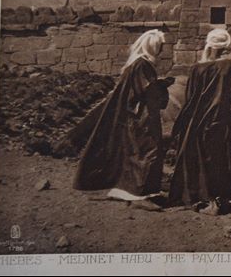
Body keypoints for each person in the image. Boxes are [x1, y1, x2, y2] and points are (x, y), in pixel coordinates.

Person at [73, 29, 173, 208]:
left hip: (134, 116)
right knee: (149, 152)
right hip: (142, 117)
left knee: (136, 154)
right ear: (153, 46)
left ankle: (131, 192)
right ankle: (141, 196)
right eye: (161, 46)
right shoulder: (143, 65)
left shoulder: (135, 64)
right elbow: (147, 91)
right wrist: (163, 85)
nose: (162, 49)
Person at [168, 28, 231, 215]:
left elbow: (190, 99)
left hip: (197, 122)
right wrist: (229, 112)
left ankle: (205, 198)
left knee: (200, 157)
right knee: (219, 157)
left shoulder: (197, 68)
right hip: (219, 121)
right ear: (225, 46)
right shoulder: (230, 66)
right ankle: (219, 200)